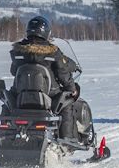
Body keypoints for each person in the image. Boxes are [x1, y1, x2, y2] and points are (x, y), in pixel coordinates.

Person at [10, 16, 95, 144]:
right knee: (68, 101)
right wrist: (72, 89)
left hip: (21, 95)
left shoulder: (18, 51)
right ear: (46, 32)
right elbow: (63, 73)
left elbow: (13, 71)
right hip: (49, 94)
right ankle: (67, 139)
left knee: (8, 99)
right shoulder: (52, 52)